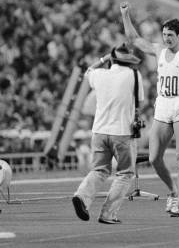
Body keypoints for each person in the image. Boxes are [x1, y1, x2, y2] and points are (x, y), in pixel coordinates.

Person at [121, 1, 179, 217]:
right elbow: (134, 39)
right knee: (153, 158)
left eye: (170, 35)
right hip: (162, 105)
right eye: (164, 34)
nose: (166, 38)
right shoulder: (159, 50)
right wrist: (125, 15)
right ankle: (172, 190)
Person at [72, 44, 144, 224]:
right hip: (122, 132)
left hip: (99, 131)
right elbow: (140, 100)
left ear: (112, 59)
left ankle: (82, 196)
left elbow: (88, 70)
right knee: (126, 174)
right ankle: (108, 213)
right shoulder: (134, 75)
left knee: (99, 170)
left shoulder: (99, 75)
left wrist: (103, 59)